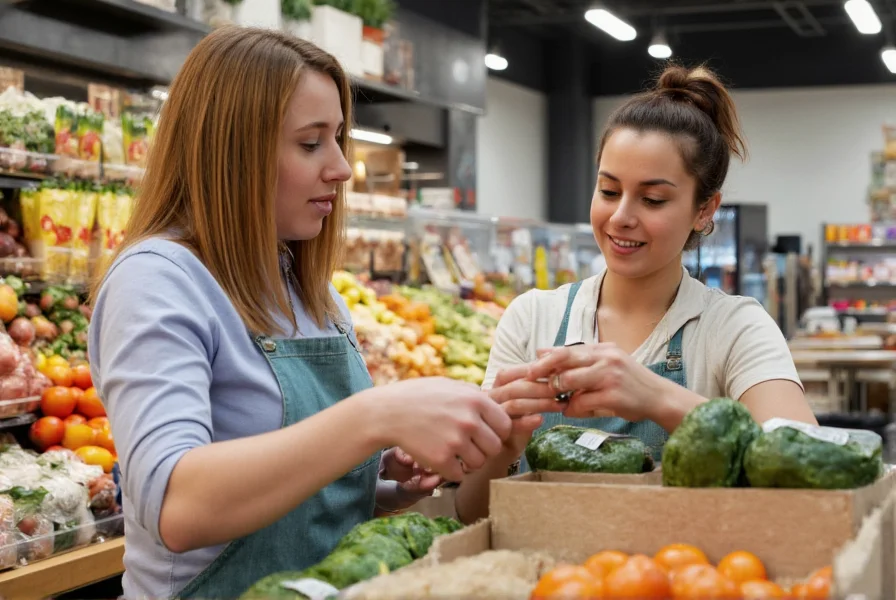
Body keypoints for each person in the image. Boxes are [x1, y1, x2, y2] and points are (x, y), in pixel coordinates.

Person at [88, 27, 514, 600]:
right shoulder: (158, 279)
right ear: (234, 152)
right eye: (311, 143)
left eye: (338, 138)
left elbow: (299, 485)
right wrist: (376, 415)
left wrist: (383, 480)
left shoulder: (312, 291)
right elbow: (176, 505)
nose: (340, 167)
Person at [454, 64, 818, 524]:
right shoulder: (532, 318)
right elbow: (470, 516)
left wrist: (656, 397)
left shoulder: (734, 327)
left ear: (704, 209)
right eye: (608, 190)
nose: (621, 217)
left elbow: (806, 468)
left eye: (652, 200)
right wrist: (503, 444)